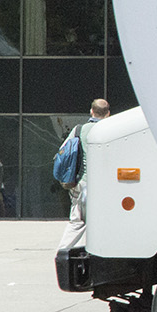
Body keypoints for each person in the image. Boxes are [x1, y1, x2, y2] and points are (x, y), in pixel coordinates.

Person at [55, 98, 109, 268]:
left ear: (91, 112)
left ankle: (62, 252)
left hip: (81, 183)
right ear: (108, 113)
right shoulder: (110, 131)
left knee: (77, 221)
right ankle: (100, 255)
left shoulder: (79, 130)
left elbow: (63, 153)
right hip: (104, 186)